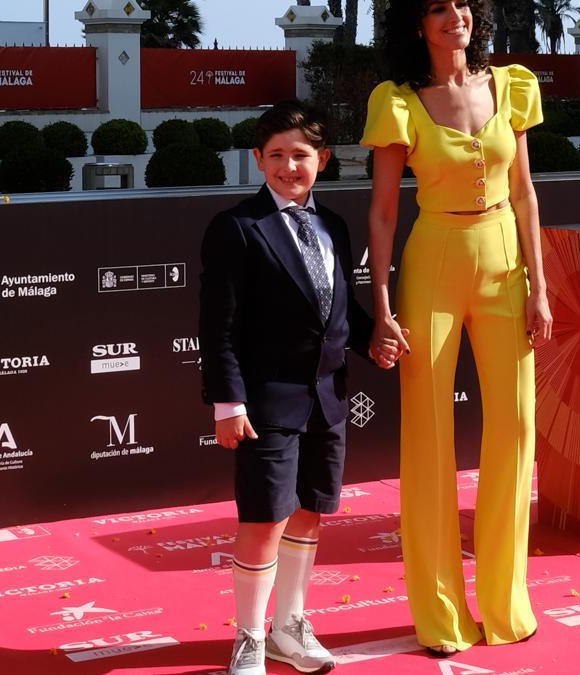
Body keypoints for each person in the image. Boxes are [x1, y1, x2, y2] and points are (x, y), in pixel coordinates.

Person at [360, 0, 554, 655]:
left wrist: (541, 286)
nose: (455, 17)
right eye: (438, 8)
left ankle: (505, 604)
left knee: (517, 427)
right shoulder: (398, 102)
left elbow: (526, 192)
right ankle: (441, 616)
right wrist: (381, 305)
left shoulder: (512, 85)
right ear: (419, 25)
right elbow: (384, 212)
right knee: (429, 436)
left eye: (464, 4)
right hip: (434, 258)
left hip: (504, 260)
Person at [200, 101, 398, 675]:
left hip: (328, 399)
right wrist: (229, 403)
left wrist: (375, 339)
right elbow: (218, 328)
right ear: (258, 160)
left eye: (303, 155)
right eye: (278, 155)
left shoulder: (333, 225)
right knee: (264, 518)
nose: (291, 166)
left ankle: (290, 627)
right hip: (264, 403)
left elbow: (339, 310)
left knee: (310, 512)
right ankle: (249, 638)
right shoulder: (236, 228)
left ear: (325, 160)